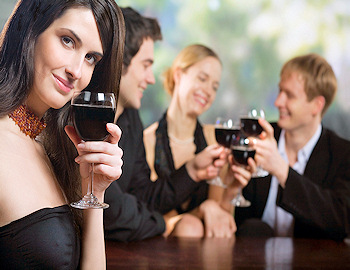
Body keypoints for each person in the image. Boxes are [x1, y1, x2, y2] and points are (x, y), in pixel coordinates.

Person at [0, 0, 124, 268]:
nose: (76, 71)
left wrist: (95, 191)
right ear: (30, 29)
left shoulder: (52, 146)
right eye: (68, 41)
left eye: (91, 58)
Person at [103, 8, 229, 242]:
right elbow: (110, 209)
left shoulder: (132, 120)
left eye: (215, 86)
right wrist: (165, 225)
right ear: (120, 60)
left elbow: (144, 197)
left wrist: (192, 171)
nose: (151, 78)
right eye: (146, 65)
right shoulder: (87, 118)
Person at [235, 53, 350, 241]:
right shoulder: (259, 137)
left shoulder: (343, 154)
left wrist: (282, 170)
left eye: (289, 95)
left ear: (316, 105)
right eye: (280, 91)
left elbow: (342, 220)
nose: (278, 102)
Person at [143, 44, 255, 237]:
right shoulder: (147, 141)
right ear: (178, 75)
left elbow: (221, 220)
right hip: (159, 247)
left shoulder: (215, 139)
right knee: (189, 228)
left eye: (215, 86)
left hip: (207, 246)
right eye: (202, 79)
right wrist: (204, 208)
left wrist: (232, 188)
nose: (208, 91)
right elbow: (154, 217)